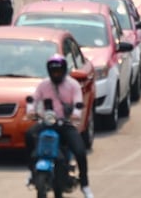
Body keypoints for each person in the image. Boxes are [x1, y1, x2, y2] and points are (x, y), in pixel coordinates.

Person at [24, 55, 93, 198]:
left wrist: (76, 113)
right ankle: (31, 171)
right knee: (29, 135)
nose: (56, 74)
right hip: (47, 122)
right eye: (53, 71)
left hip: (65, 124)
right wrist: (31, 110)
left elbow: (78, 102)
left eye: (59, 71)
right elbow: (33, 99)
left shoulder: (73, 85)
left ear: (64, 70)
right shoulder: (43, 84)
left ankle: (85, 185)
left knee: (80, 151)